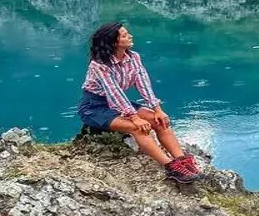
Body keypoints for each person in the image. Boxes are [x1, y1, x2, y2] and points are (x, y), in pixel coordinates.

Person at [79, 22, 202, 183]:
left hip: (120, 103)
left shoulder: (134, 57)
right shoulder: (99, 65)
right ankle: (171, 167)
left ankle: (182, 159)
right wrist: (134, 117)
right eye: (124, 35)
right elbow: (113, 92)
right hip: (95, 106)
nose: (130, 36)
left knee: (159, 121)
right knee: (137, 127)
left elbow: (142, 83)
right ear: (113, 42)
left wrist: (157, 108)